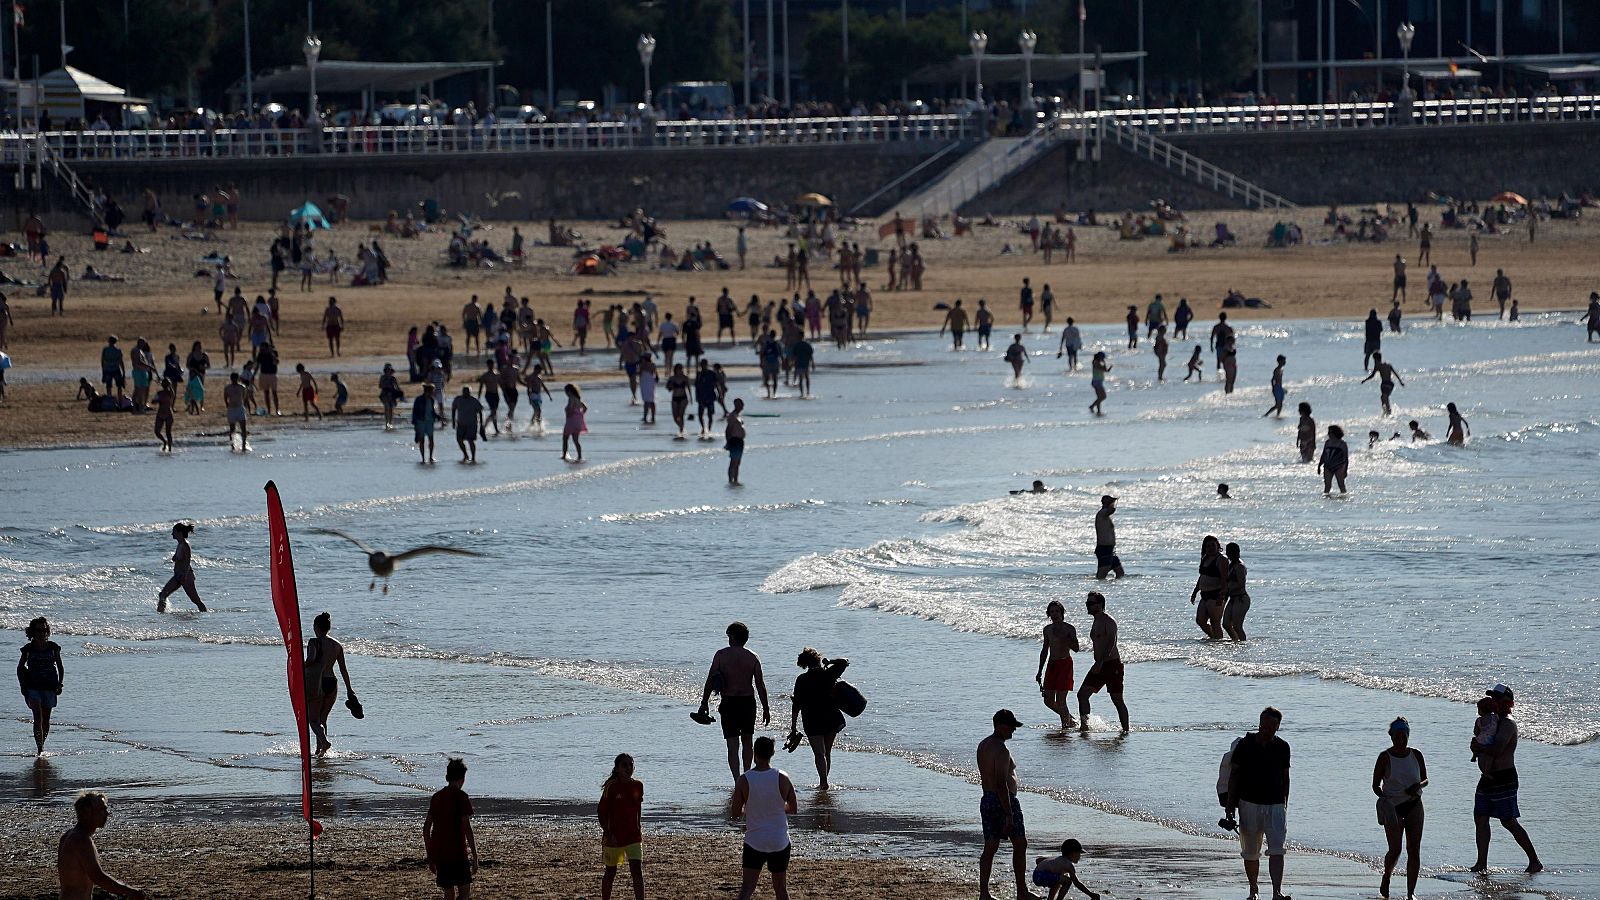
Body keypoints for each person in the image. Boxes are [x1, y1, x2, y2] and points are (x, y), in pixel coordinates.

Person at [1471, 684, 1542, 873]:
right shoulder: (1490, 721)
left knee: (1508, 821)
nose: (1494, 702)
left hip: (1504, 778)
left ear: (1509, 703)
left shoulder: (1508, 723)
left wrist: (1479, 747)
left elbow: (1497, 748)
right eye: (1493, 699)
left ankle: (1534, 861)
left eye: (1498, 699)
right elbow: (1479, 736)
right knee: (1480, 817)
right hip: (1486, 778)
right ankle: (1481, 863)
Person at [1226, 707, 1291, 900]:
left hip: (1276, 805)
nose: (1265, 729)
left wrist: (1285, 803)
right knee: (1251, 852)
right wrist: (1230, 806)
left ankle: (1276, 892)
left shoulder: (1283, 747)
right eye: (1263, 724)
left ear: (1277, 727)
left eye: (1270, 726)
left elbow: (1286, 778)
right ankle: (1253, 890)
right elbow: (1234, 776)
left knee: (1277, 849)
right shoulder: (1245, 745)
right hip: (1249, 804)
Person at [697, 621, 771, 782]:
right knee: (747, 741)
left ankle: (738, 780)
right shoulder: (752, 657)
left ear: (732, 636)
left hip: (729, 702)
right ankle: (747, 776)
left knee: (732, 744)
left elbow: (710, 680)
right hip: (747, 702)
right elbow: (760, 685)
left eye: (729, 636)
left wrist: (704, 702)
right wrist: (766, 708)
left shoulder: (721, 655)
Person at [977, 709, 1035, 900]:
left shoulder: (983, 745)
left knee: (990, 846)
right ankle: (1022, 892)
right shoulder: (1001, 750)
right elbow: (1001, 782)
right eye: (1011, 727)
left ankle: (984, 894)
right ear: (1001, 726)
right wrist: (1009, 813)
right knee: (1020, 843)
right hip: (1003, 800)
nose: (1013, 731)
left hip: (987, 798)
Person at [731, 736, 798, 900]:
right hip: (779, 840)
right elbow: (794, 808)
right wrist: (776, 808)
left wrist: (753, 810)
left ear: (754, 753)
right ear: (772, 753)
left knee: (747, 887)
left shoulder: (744, 779)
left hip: (755, 840)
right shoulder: (782, 777)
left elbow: (735, 812)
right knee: (781, 889)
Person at [1373, 717, 1428, 900]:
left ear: (1408, 735)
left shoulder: (1416, 754)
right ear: (1391, 737)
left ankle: (1411, 892)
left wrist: (1417, 786)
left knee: (1414, 849)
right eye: (1397, 736)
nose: (1401, 740)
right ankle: (1387, 876)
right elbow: (1375, 785)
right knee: (1395, 849)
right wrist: (1384, 801)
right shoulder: (1384, 757)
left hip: (1414, 805)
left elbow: (1425, 779)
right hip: (1393, 807)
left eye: (1404, 736)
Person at [58, 791, 146, 900]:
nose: (107, 813)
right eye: (101, 810)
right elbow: (98, 877)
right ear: (87, 812)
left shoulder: (69, 836)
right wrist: (130, 891)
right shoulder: (81, 840)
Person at [788, 649, 849, 789]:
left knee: (819, 753)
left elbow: (796, 705)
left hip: (811, 719)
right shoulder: (829, 674)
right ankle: (824, 781)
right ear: (818, 659)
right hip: (831, 717)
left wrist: (793, 727)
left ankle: (823, 782)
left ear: (803, 663)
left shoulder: (802, 679)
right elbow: (844, 662)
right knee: (827, 751)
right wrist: (830, 661)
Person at [424, 757, 478, 900]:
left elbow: (426, 828)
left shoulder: (437, 797)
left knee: (448, 893)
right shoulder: (461, 797)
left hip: (441, 853)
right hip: (458, 853)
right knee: (465, 892)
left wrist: (431, 855)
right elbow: (467, 827)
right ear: (462, 778)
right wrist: (475, 855)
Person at [303, 611, 356, 755]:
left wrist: (298, 666)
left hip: (317, 682)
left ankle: (324, 743)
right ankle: (319, 751)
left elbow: (311, 659)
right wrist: (349, 690)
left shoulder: (314, 641)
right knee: (323, 720)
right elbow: (343, 669)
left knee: (313, 720)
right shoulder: (337, 645)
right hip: (332, 682)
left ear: (316, 627)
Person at [1077, 592, 1129, 731]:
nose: (1087, 606)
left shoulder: (1108, 621)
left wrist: (1100, 662)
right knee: (1082, 695)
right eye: (1087, 603)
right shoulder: (1096, 620)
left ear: (1099, 605)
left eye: (1090, 604)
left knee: (1117, 699)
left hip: (1112, 665)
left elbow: (1112, 642)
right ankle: (1085, 727)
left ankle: (1126, 731)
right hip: (1099, 664)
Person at [599, 754, 645, 900]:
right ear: (617, 768)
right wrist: (607, 833)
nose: (628, 768)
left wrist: (638, 828)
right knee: (611, 872)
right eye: (624, 765)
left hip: (633, 837)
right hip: (615, 838)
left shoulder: (638, 785)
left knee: (637, 871)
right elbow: (601, 811)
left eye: (631, 765)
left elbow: (637, 810)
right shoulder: (611, 787)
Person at [19, 617, 64, 755]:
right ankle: (40, 749)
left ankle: (42, 743)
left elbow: (60, 667)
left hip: (50, 686)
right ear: (33, 632)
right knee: (37, 716)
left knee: (46, 718)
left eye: (45, 629)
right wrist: (22, 686)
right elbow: (20, 668)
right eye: (39, 630)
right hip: (32, 686)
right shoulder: (28, 649)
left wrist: (60, 684)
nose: (42, 632)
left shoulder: (53, 648)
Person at [1035, 601, 1079, 727]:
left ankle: (1065, 727)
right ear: (1049, 614)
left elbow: (1076, 648)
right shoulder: (1047, 629)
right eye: (1052, 611)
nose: (1054, 614)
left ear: (1062, 613)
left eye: (1057, 611)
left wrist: (1065, 638)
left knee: (1061, 700)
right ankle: (1070, 719)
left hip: (1065, 664)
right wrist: (1039, 671)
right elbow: (1044, 650)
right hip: (1052, 664)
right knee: (1048, 700)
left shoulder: (1069, 628)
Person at [156, 523, 206, 613]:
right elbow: (178, 558)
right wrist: (174, 557)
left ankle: (206, 614)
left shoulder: (186, 545)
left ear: (179, 532)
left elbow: (187, 562)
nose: (172, 534)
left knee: (195, 600)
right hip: (177, 575)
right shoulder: (179, 544)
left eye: (173, 532)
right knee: (162, 595)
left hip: (185, 576)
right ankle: (160, 616)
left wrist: (185, 576)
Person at [1032, 839, 1099, 900]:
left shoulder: (1058, 859)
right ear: (1073, 853)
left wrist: (1045, 867)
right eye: (1078, 854)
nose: (1079, 857)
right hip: (1041, 876)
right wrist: (1091, 894)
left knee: (1058, 880)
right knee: (1068, 881)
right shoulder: (1068, 865)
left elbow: (1038, 860)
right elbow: (1076, 883)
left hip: (1036, 875)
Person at [1190, 535, 1228, 640]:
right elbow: (1202, 576)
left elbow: (1225, 579)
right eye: (1208, 546)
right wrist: (1195, 591)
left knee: (1215, 622)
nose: (1210, 548)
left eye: (1213, 545)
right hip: (1204, 594)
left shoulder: (1222, 559)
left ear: (1218, 546)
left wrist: (1222, 595)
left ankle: (1218, 643)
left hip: (1216, 594)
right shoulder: (1205, 558)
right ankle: (1214, 639)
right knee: (1200, 621)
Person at [1222, 542, 1250, 641]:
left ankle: (1242, 644)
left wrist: (1227, 590)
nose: (1231, 554)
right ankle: (1235, 641)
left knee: (1237, 626)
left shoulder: (1239, 566)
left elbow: (1241, 583)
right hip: (1233, 599)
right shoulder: (1231, 565)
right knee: (1225, 624)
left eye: (1234, 552)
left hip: (1241, 598)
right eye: (1229, 552)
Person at [1092, 495, 1125, 580]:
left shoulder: (1106, 516)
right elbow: (1112, 510)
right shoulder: (1102, 513)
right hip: (1104, 549)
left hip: (1110, 549)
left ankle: (1113, 589)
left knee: (1120, 572)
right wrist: (1113, 502)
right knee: (1101, 576)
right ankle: (1097, 589)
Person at [452, 386, 484, 463]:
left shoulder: (474, 401)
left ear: (470, 392)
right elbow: (453, 409)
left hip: (472, 424)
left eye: (468, 391)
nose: (466, 393)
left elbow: (480, 412)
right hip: (460, 423)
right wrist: (453, 421)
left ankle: (473, 458)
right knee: (459, 440)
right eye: (464, 391)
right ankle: (465, 455)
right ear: (462, 391)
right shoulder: (458, 399)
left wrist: (481, 424)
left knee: (470, 440)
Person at [1318, 425, 1349, 494]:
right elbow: (1323, 454)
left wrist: (1345, 470)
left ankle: (1344, 499)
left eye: (1330, 432)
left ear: (1335, 433)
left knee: (1341, 485)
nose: (1328, 434)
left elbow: (1346, 458)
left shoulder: (1342, 444)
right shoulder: (1327, 443)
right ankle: (1326, 499)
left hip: (1339, 467)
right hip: (1327, 466)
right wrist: (1319, 465)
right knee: (1327, 486)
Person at [223, 372, 249, 451]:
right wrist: (227, 405)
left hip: (240, 408)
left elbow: (244, 397)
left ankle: (243, 444)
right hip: (232, 408)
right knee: (232, 428)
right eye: (233, 379)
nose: (234, 381)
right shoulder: (228, 388)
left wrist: (243, 405)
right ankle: (232, 445)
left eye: (235, 379)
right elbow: (225, 397)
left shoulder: (242, 387)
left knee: (243, 427)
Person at [562, 383, 587, 461]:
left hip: (571, 421)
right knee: (576, 440)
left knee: (565, 438)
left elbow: (570, 408)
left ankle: (564, 455)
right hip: (577, 422)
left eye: (566, 392)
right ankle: (579, 456)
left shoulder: (571, 398)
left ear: (569, 391)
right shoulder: (578, 399)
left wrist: (569, 413)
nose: (566, 393)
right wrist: (580, 414)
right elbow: (585, 408)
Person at [414, 383, 438, 464]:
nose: (432, 393)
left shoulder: (431, 400)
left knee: (431, 440)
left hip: (430, 421)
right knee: (422, 440)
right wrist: (415, 423)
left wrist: (438, 417)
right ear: (427, 391)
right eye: (432, 392)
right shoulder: (419, 399)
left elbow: (432, 411)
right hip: (421, 421)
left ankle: (431, 457)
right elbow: (415, 412)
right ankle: (423, 458)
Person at [725, 398, 747, 485]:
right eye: (740, 404)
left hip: (740, 441)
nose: (742, 406)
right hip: (734, 440)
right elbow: (728, 430)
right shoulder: (732, 416)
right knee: (733, 462)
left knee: (738, 462)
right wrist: (728, 442)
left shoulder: (738, 416)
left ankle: (736, 480)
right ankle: (731, 480)